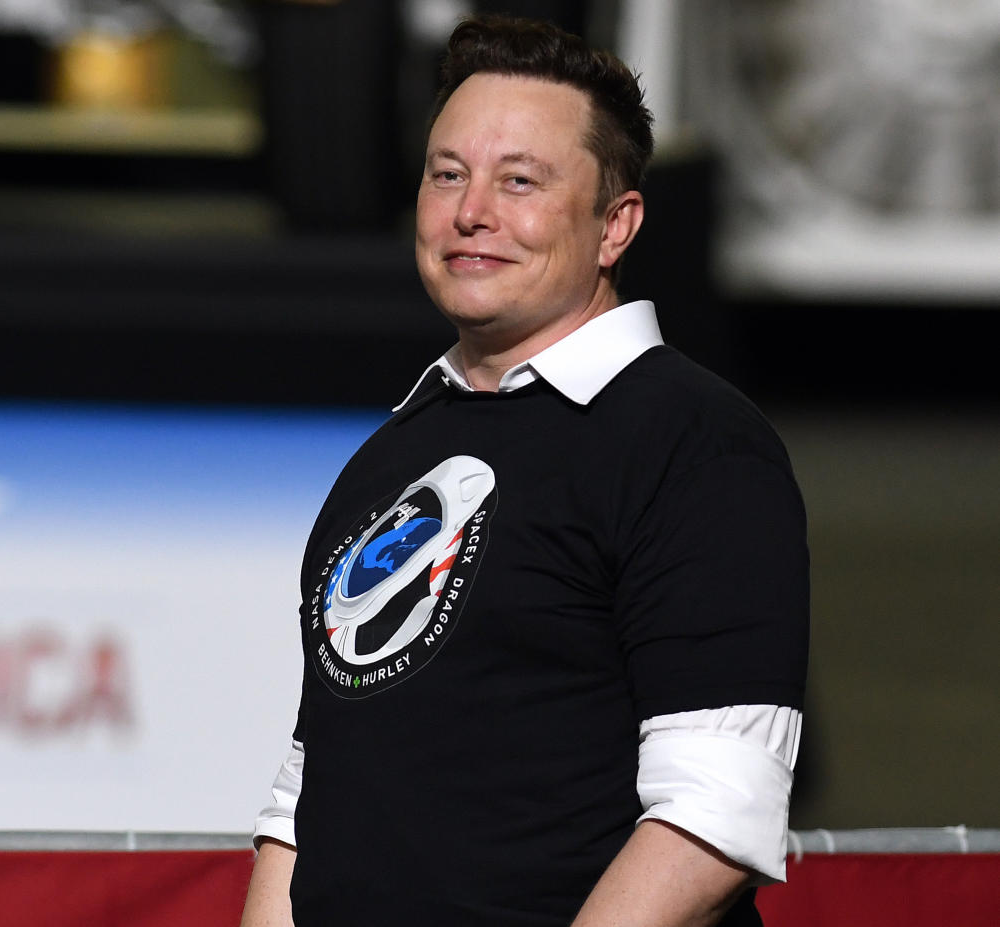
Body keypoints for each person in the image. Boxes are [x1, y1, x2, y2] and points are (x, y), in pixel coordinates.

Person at [239, 15, 808, 927]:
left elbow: (712, 819)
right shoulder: (391, 452)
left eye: (521, 181)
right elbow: (308, 788)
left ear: (615, 225)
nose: (472, 212)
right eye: (449, 174)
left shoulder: (694, 440)